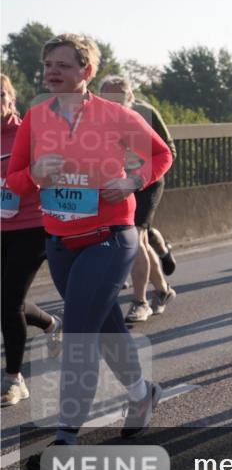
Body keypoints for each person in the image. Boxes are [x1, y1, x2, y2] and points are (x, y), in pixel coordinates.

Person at [7, 34, 172, 465]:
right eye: (48, 65)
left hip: (110, 237)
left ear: (87, 72)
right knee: (105, 328)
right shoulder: (36, 117)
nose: (52, 72)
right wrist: (35, 172)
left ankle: (65, 437)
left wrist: (133, 181)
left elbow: (160, 154)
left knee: (80, 330)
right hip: (61, 242)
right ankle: (142, 393)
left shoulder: (115, 116)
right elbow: (16, 180)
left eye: (62, 64)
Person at [2, 74, 62, 407]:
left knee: (8, 304)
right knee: (6, 301)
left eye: (0, 96)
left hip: (30, 226)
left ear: (11, 99)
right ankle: (52, 322)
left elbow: (53, 172)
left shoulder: (29, 133)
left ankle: (14, 379)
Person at [98, 76, 178, 322]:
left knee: (136, 238)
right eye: (108, 101)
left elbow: (169, 151)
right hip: (119, 183)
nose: (114, 106)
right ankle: (162, 290)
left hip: (148, 181)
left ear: (130, 99)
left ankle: (140, 301)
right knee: (138, 240)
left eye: (119, 101)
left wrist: (140, 177)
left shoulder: (145, 113)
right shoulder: (96, 117)